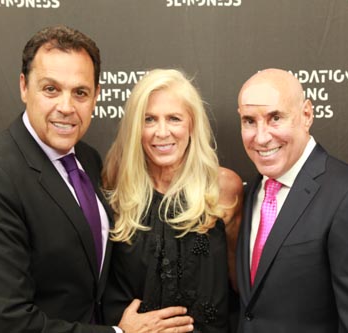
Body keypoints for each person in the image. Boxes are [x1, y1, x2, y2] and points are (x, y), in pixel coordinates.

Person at [0, 25, 194, 333]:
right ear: (24, 87)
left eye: (80, 92)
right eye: (51, 89)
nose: (66, 107)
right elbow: (6, 321)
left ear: (96, 97)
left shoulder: (88, 159)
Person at [235, 68, 348, 332]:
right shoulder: (251, 191)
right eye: (249, 121)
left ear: (307, 115)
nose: (261, 136)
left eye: (275, 118)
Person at [101, 69, 243, 332]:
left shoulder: (223, 188)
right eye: (149, 119)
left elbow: (240, 284)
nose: (162, 132)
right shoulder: (116, 187)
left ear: (192, 124)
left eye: (174, 118)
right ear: (135, 127)